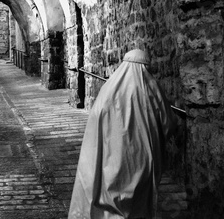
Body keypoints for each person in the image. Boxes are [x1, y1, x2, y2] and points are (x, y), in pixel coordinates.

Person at [68, 49, 177, 219]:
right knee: (138, 200)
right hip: (141, 157)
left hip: (110, 154)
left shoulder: (108, 89)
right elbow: (168, 123)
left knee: (111, 191)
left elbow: (96, 118)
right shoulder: (151, 88)